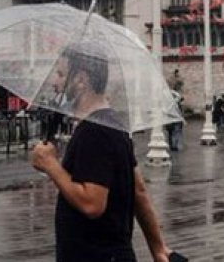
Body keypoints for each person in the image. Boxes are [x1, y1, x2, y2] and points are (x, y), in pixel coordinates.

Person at [30, 42, 174, 262]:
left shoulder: (94, 131)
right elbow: (139, 190)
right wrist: (158, 248)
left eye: (60, 74)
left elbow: (92, 204)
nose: (54, 82)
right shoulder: (113, 124)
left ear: (81, 80)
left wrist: (51, 166)